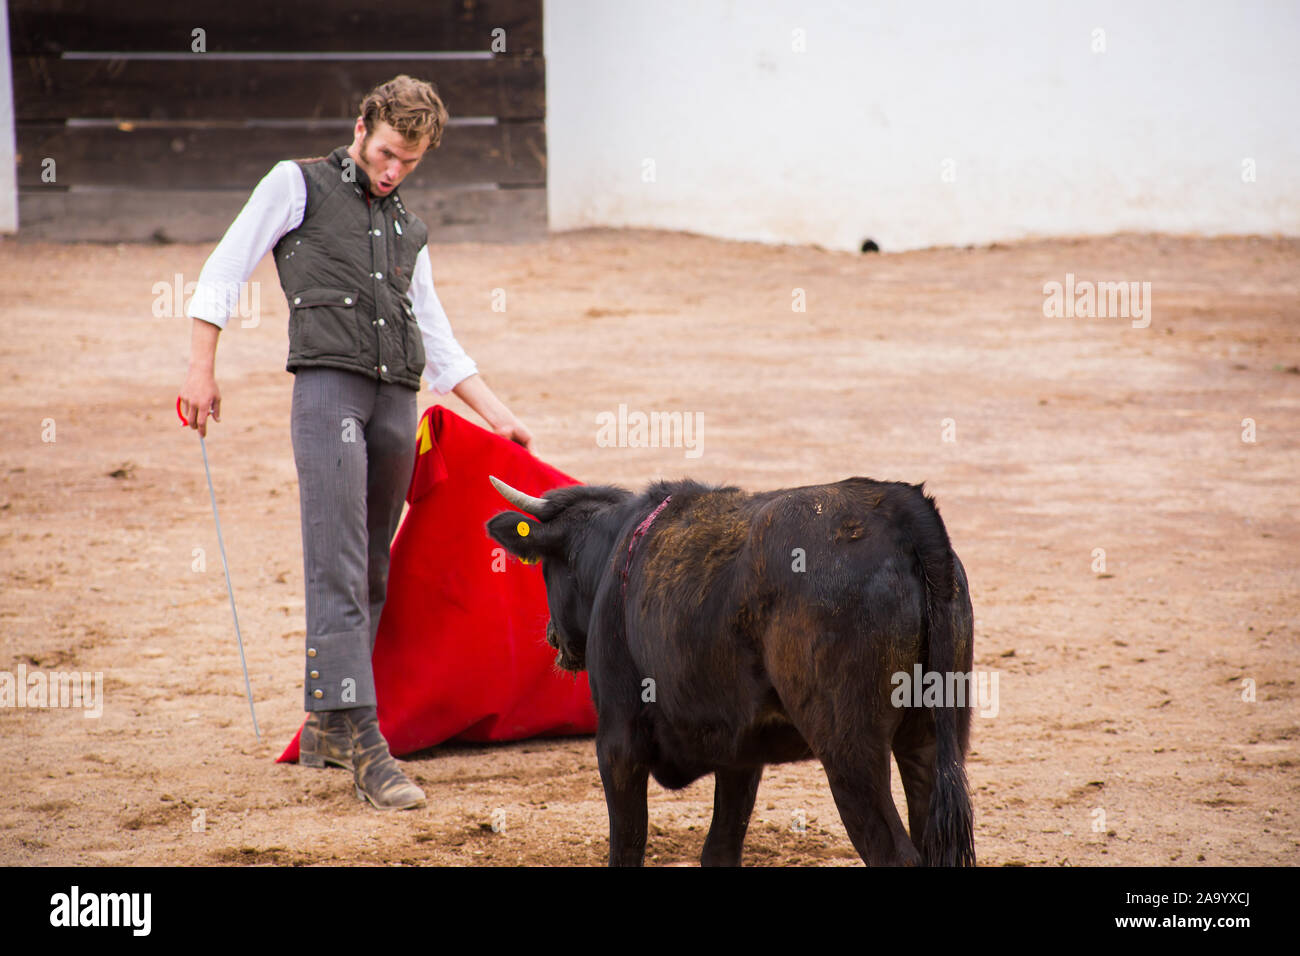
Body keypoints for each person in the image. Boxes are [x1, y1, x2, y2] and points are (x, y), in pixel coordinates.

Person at [177, 75, 533, 809]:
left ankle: (326, 724)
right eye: (387, 152)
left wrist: (497, 415)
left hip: (396, 402)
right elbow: (226, 266)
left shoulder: (408, 226)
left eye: (410, 160)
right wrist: (199, 369)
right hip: (329, 394)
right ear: (362, 123)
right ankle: (362, 736)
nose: (394, 169)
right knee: (336, 562)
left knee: (372, 568)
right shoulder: (295, 184)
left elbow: (436, 338)